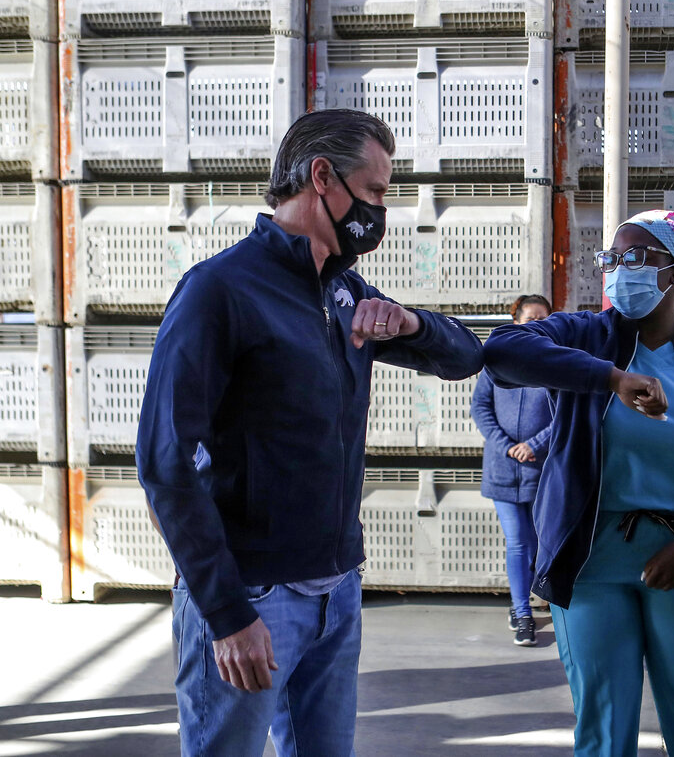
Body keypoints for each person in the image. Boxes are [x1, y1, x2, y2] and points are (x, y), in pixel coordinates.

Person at [135, 109, 484, 757]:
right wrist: (226, 612)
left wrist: (409, 322)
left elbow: (465, 358)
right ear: (322, 177)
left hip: (336, 596)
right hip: (253, 598)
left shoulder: (344, 294)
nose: (381, 209)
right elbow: (165, 462)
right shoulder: (221, 290)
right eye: (375, 191)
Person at [483, 209, 674, 756]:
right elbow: (500, 351)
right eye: (611, 259)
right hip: (591, 560)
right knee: (604, 722)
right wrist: (609, 378)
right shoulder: (586, 336)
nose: (619, 271)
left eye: (635, 257)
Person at [471, 294, 554, 647]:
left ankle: (532, 597)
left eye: (543, 319)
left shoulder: (556, 364)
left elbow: (565, 414)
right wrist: (506, 445)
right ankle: (522, 613)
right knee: (518, 542)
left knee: (538, 543)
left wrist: (533, 445)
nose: (537, 323)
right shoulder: (496, 362)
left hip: (541, 471)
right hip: (502, 470)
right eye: (531, 317)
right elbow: (480, 408)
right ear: (516, 321)